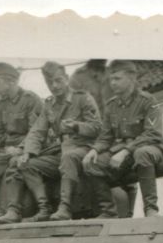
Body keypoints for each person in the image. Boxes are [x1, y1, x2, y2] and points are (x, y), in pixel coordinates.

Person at [83, 60, 163, 219]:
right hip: (124, 151)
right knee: (92, 164)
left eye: (117, 78)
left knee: (142, 153)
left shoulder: (148, 101)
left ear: (131, 78)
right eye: (111, 79)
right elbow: (106, 136)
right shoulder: (111, 106)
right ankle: (108, 210)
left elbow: (152, 133)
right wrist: (94, 150)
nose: (113, 83)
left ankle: (151, 209)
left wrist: (125, 151)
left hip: (152, 147)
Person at [16, 61, 101, 222]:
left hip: (83, 148)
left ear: (66, 79)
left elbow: (97, 127)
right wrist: (27, 152)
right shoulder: (49, 105)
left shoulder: (83, 98)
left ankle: (65, 208)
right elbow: (37, 131)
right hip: (62, 151)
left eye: (58, 80)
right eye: (50, 82)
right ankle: (44, 208)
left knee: (68, 157)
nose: (54, 86)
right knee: (25, 164)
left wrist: (76, 126)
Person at [0, 62, 43, 225]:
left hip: (28, 147)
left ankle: (14, 211)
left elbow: (37, 131)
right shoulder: (2, 102)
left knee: (15, 165)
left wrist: (21, 149)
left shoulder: (30, 99)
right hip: (7, 147)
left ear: (11, 81)